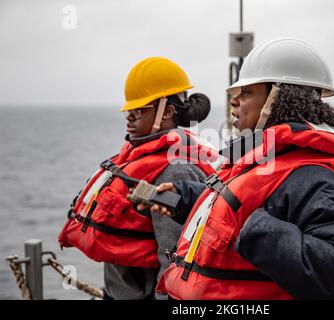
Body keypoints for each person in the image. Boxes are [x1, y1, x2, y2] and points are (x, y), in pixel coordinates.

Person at [142, 39, 334, 300]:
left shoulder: (316, 178)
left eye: (246, 93)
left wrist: (255, 229)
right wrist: (183, 197)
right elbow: (235, 203)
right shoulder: (263, 160)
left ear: (278, 99)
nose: (233, 102)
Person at [58, 57, 217, 300]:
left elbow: (173, 258)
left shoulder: (175, 170)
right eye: (129, 109)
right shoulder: (141, 158)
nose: (129, 116)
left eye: (139, 110)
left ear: (168, 112)